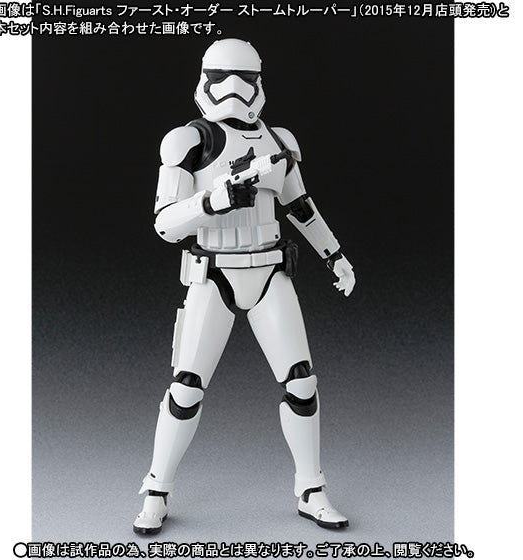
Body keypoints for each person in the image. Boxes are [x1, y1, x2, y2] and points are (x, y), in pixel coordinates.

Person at [134, 38, 356, 534]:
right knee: (186, 388)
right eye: (221, 78)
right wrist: (212, 201)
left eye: (245, 78)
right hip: (213, 273)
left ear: (259, 82)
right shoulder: (188, 142)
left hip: (270, 271)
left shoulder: (279, 141)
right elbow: (165, 224)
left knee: (301, 382)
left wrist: (334, 254)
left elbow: (300, 206)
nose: (233, 88)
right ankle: (156, 489)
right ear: (205, 80)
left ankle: (311, 488)